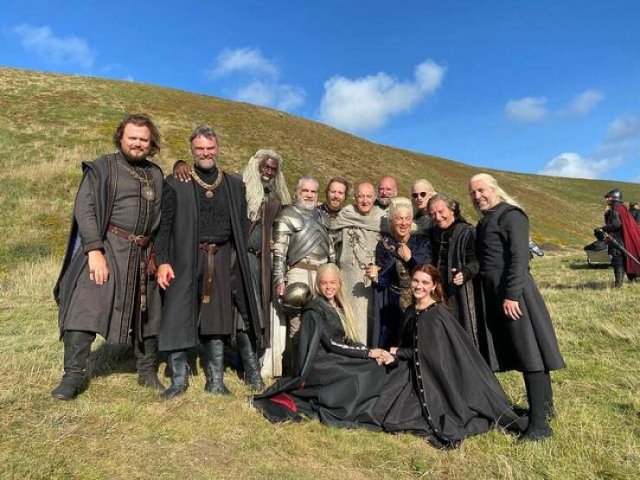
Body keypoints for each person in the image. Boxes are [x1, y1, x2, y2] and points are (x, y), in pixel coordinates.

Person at [52, 113, 164, 400]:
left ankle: (147, 371)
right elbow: (85, 208)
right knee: (85, 305)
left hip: (144, 253)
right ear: (120, 138)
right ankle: (73, 375)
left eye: (143, 139)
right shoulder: (102, 167)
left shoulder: (155, 174)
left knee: (148, 313)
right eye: (132, 138)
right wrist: (94, 250)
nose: (138, 143)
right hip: (109, 248)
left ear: (151, 143)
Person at [155, 125, 264, 398]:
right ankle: (178, 381)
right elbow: (164, 226)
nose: (206, 153)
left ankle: (215, 380)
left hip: (221, 256)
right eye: (200, 148)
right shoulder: (176, 183)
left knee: (217, 317)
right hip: (184, 255)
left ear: (218, 149)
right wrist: (163, 260)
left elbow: (241, 227)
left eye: (210, 148)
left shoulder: (234, 186)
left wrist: (235, 261)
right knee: (178, 312)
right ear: (192, 150)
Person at [374, 265, 528, 448]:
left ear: (434, 285)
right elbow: (413, 346)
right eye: (415, 280)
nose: (419, 286)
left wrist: (397, 353)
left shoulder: (437, 315)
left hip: (435, 380)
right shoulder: (410, 310)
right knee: (380, 399)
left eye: (425, 282)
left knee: (397, 415)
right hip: (413, 368)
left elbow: (430, 354)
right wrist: (395, 354)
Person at [469, 173, 565, 440]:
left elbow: (519, 258)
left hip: (515, 293)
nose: (477, 196)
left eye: (481, 190)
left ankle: (540, 426)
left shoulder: (511, 215)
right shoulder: (486, 220)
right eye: (473, 193)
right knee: (525, 352)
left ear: (494, 189)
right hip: (498, 293)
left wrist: (511, 295)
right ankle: (544, 411)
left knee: (530, 353)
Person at [253, 264, 392, 426]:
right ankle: (350, 409)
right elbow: (332, 343)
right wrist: (367, 353)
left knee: (373, 366)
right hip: (322, 365)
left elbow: (346, 340)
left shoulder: (338, 305)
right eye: (324, 283)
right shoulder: (315, 309)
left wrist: (369, 351)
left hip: (334, 357)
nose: (328, 287)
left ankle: (371, 407)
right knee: (367, 370)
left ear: (339, 283)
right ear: (318, 284)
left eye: (332, 282)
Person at [272, 176, 335, 373]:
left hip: (321, 274)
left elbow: (331, 250)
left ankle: (316, 369)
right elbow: (279, 251)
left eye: (313, 191)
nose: (309, 195)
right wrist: (279, 278)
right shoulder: (287, 214)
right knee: (297, 323)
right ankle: (295, 370)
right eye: (305, 191)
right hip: (298, 271)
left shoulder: (323, 217)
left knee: (322, 321)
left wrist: (334, 276)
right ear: (297, 193)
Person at [241, 149, 291, 377]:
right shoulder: (241, 187)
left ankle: (256, 358)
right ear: (257, 166)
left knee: (261, 310)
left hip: (264, 263)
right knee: (243, 309)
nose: (269, 172)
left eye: (273, 169)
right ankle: (247, 363)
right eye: (266, 166)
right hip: (244, 258)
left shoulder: (276, 198)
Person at [426, 193, 493, 360]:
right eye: (433, 214)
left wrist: (465, 272)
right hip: (439, 292)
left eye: (441, 211)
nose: (437, 217)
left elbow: (476, 261)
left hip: (461, 293)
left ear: (452, 210)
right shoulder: (433, 233)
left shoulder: (467, 231)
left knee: (464, 329)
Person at [367, 197, 431, 348]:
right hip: (394, 301)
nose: (403, 223)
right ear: (392, 221)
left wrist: (409, 259)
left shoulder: (422, 242)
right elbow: (384, 281)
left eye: (407, 219)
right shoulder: (385, 244)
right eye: (399, 219)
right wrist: (374, 277)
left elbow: (427, 273)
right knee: (392, 343)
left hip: (419, 299)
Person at [329, 182, 388, 343]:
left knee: (372, 321)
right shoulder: (346, 215)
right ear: (355, 198)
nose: (365, 200)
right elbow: (330, 241)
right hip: (349, 280)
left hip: (374, 280)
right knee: (350, 320)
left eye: (369, 196)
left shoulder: (383, 219)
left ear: (375, 198)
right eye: (361, 196)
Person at [597, 189, 640, 286]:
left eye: (609, 197)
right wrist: (607, 214)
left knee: (618, 261)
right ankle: (631, 280)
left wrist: (602, 228)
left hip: (617, 239)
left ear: (614, 198)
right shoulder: (622, 208)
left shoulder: (615, 209)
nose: (607, 199)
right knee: (625, 259)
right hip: (624, 238)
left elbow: (616, 225)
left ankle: (618, 284)